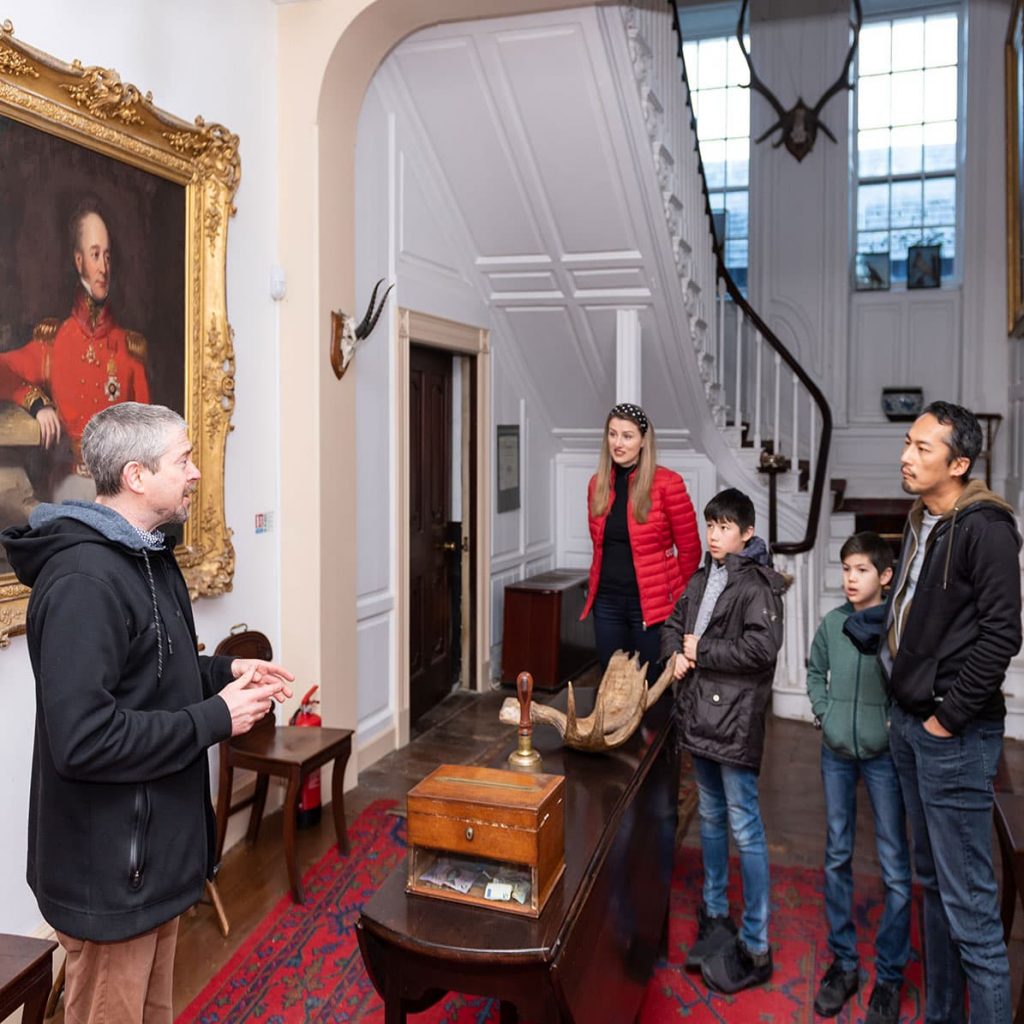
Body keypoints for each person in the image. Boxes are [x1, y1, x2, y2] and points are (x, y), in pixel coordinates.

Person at [1, 402, 294, 1024]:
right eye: (183, 460)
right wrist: (217, 717)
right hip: (110, 871)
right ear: (136, 476)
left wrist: (226, 673)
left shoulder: (146, 555)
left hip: (152, 860)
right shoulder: (85, 579)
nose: (195, 473)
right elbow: (83, 740)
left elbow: (157, 671)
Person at [883, 401, 1021, 1023]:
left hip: (951, 735)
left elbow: (1001, 636)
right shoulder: (923, 516)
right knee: (934, 885)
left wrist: (946, 718)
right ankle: (942, 1013)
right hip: (910, 726)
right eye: (908, 443)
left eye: (922, 449)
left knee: (972, 913)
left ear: (959, 463)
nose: (907, 457)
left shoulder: (985, 527)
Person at [660, 487, 785, 994]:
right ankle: (715, 914)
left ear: (747, 533)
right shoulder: (700, 576)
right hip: (698, 717)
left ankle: (757, 944)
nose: (714, 534)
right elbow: (674, 625)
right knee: (710, 817)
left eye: (726, 527)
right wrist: (675, 654)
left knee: (745, 827)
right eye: (710, 525)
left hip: (733, 723)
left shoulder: (756, 584)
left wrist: (702, 650)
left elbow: (762, 648)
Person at [806, 531, 910, 1024]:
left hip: (884, 757)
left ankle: (889, 975)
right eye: (846, 569)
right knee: (836, 854)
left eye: (862, 570)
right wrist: (824, 713)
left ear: (885, 577)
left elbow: (910, 679)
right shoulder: (831, 624)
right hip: (836, 755)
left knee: (894, 863)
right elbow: (814, 671)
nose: (851, 578)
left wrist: (892, 723)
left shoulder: (896, 626)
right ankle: (845, 963)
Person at [0, 203, 150, 503]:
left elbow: (147, 437)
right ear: (79, 261)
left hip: (120, 494)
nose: (103, 268)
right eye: (95, 255)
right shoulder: (54, 343)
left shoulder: (128, 349)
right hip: (66, 490)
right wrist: (37, 404)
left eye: (107, 256)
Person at [581, 402, 701, 681]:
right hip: (607, 603)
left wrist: (672, 594)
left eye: (627, 435)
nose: (618, 443)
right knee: (613, 685)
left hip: (652, 606)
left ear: (644, 440)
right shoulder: (596, 484)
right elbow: (601, 547)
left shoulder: (668, 484)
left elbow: (690, 549)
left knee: (653, 685)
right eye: (612, 434)